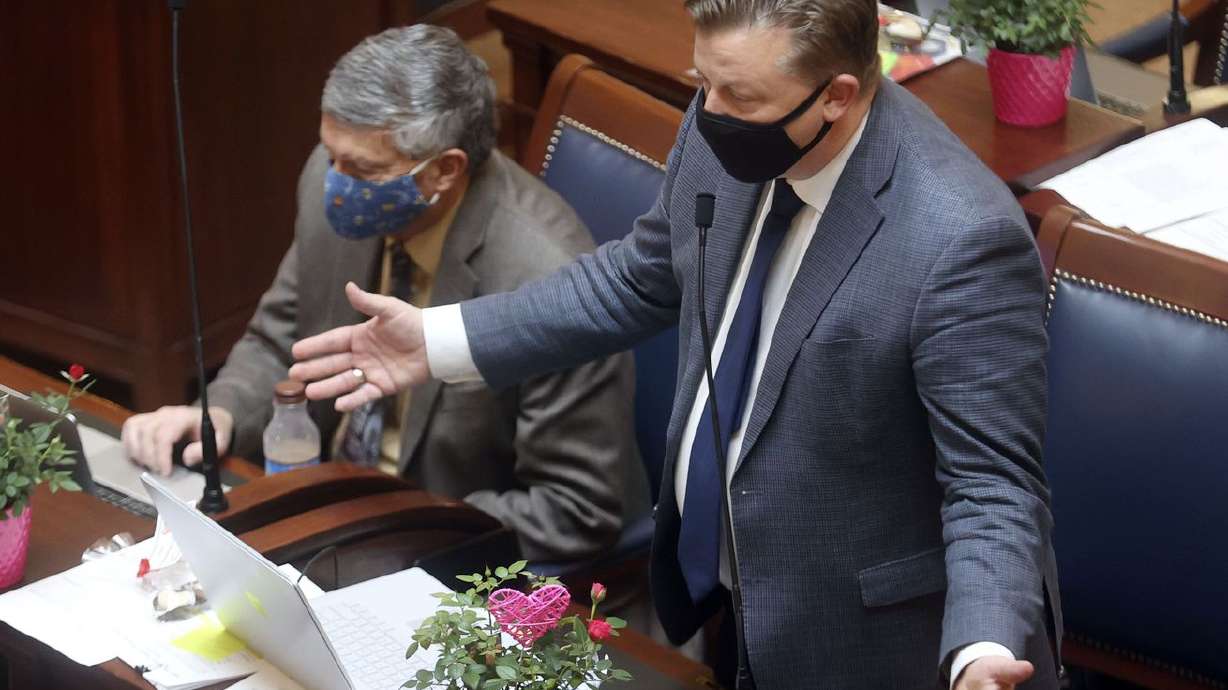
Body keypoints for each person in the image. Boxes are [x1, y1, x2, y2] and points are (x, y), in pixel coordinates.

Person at [289, 1, 1062, 688]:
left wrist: (982, 648)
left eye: (738, 97)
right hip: (725, 602)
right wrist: (440, 338)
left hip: (862, 641)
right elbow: (642, 274)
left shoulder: (961, 240)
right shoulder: (731, 112)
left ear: (837, 97)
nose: (707, 112)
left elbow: (992, 486)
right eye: (704, 85)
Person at [120, 25, 639, 563]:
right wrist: (222, 413)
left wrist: (400, 528)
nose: (335, 183)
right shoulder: (334, 181)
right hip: (323, 506)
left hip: (444, 551)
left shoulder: (545, 276)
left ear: (444, 170)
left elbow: (572, 508)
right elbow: (281, 341)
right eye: (332, 155)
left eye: (363, 170)